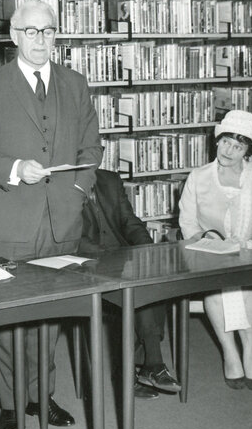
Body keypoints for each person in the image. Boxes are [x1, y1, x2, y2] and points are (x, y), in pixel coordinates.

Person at [0, 0, 102, 429]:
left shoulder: (75, 83)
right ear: (15, 36)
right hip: (9, 221)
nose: (41, 39)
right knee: (8, 317)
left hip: (62, 219)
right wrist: (16, 169)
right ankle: (11, 401)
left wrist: (77, 192)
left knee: (51, 316)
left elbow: (91, 150)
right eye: (31, 31)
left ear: (56, 34)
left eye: (48, 30)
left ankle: (44, 396)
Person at [177, 109, 252, 390]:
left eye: (238, 146)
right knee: (219, 281)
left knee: (239, 279)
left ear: (248, 150)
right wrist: (211, 245)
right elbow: (187, 222)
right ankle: (231, 352)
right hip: (207, 252)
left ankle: (249, 352)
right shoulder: (198, 177)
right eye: (225, 142)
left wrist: (248, 245)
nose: (229, 150)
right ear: (217, 140)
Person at [78, 168, 182, 398]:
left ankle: (144, 368)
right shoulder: (61, 182)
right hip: (87, 264)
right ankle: (150, 366)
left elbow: (131, 222)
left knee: (152, 278)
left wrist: (149, 252)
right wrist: (107, 257)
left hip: (123, 259)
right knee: (135, 288)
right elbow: (70, 235)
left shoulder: (110, 179)